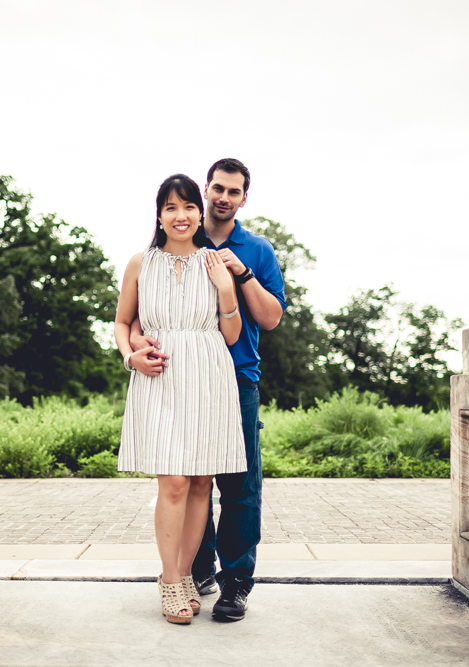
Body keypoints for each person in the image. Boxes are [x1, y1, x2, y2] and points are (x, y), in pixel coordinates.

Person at [132, 158, 286, 622]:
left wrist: (240, 276)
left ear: (243, 199)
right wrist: (136, 342)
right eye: (217, 189)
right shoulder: (172, 250)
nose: (223, 197)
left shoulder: (255, 249)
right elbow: (142, 313)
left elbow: (272, 318)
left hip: (237, 377)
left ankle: (236, 584)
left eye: (233, 192)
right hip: (179, 376)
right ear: (205, 194)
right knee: (186, 480)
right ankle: (191, 576)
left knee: (238, 488)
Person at [115, 173, 247, 625]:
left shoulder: (215, 263)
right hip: (162, 375)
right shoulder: (140, 263)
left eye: (189, 206)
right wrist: (132, 356)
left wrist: (227, 289)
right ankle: (170, 579)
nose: (182, 215)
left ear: (198, 212)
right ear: (159, 215)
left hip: (210, 373)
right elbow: (121, 322)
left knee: (200, 483)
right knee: (171, 482)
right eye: (172, 207)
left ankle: (188, 576)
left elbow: (230, 333)